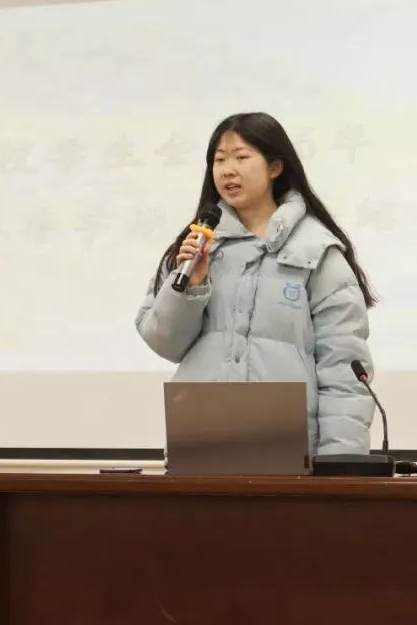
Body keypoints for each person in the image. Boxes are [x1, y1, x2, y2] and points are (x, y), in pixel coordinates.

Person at [135, 112, 379, 456]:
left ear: (275, 167)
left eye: (241, 157)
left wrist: (342, 460)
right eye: (219, 160)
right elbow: (164, 342)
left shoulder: (316, 251)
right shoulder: (196, 247)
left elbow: (343, 367)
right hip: (201, 438)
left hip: (287, 445)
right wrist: (192, 286)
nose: (227, 170)